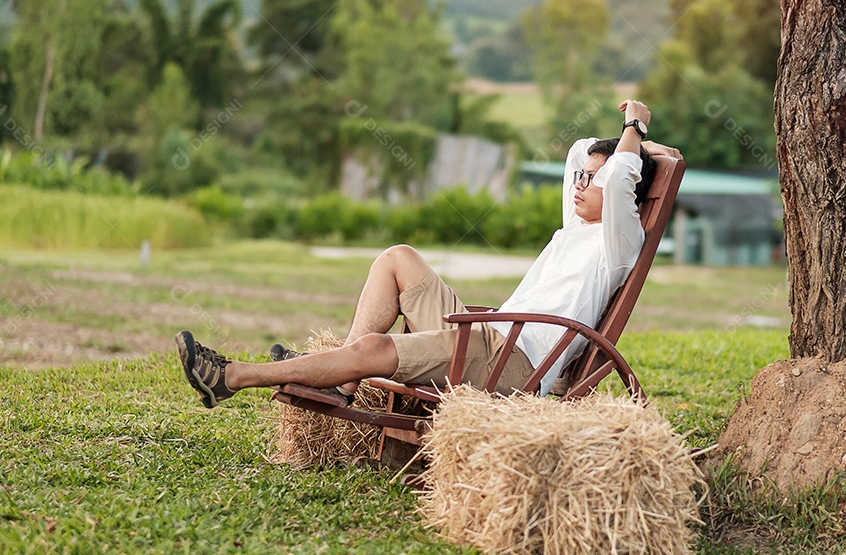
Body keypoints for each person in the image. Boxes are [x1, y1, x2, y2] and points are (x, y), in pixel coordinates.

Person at [176, 100, 681, 408]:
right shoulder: (577, 226)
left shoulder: (618, 242)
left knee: (373, 354)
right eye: (581, 177)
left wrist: (637, 128)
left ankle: (233, 377)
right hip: (492, 337)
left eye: (592, 179)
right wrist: (619, 146)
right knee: (397, 257)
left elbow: (618, 178)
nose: (580, 182)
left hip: (511, 364)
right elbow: (578, 151)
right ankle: (342, 383)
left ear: (624, 191)